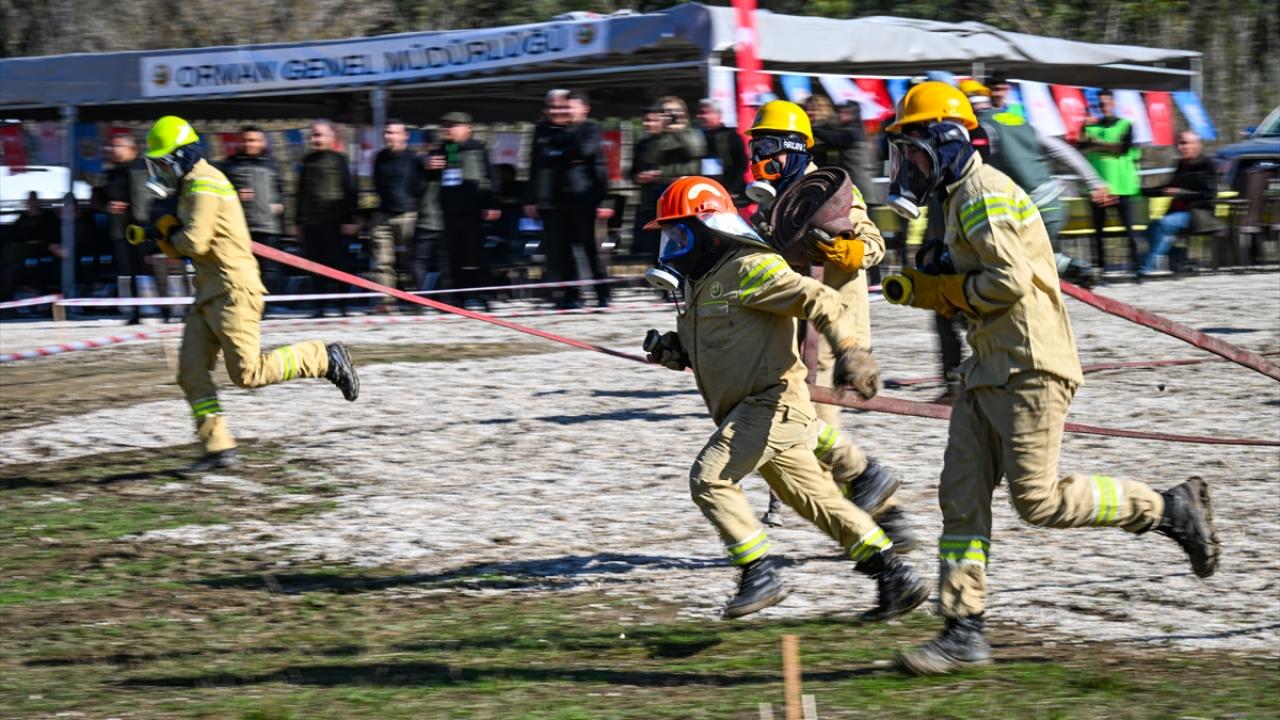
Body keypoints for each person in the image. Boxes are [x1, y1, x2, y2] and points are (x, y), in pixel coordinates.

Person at [878, 83, 1220, 674]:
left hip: (1029, 363)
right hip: (987, 365)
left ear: (943, 142)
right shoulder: (959, 198)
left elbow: (1005, 283)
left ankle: (1167, 507)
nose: (906, 167)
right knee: (960, 500)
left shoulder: (984, 192)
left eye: (911, 153)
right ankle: (963, 630)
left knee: (1038, 501)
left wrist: (937, 288)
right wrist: (936, 276)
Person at [643, 176, 929, 621]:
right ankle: (895, 578)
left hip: (771, 404)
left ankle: (758, 573)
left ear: (709, 228)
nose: (672, 245)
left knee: (710, 478)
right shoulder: (701, 283)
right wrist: (673, 351)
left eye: (679, 233)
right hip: (751, 411)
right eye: (668, 236)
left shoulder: (750, 267)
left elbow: (821, 300)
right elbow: (718, 343)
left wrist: (852, 352)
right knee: (820, 504)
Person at [136, 116, 361, 474]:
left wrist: (165, 237)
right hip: (209, 291)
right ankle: (218, 448)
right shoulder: (191, 185)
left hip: (233, 289)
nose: (160, 170)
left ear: (181, 156)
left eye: (163, 162)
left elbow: (195, 240)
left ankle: (324, 358)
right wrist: (164, 234)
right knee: (191, 371)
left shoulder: (205, 183)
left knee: (248, 373)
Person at [745, 100, 910, 540]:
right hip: (788, 337)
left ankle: (882, 521)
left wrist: (854, 251)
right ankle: (881, 515)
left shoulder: (830, 190)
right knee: (806, 436)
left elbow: (872, 241)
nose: (760, 158)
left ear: (795, 146)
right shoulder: (770, 199)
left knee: (818, 438)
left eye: (768, 146)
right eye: (755, 147)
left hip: (830, 335)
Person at [525, 89, 613, 309]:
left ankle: (603, 293)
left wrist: (559, 153)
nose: (559, 112)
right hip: (554, 199)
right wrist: (531, 198)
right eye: (553, 108)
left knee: (590, 249)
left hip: (583, 198)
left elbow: (585, 151)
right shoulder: (543, 130)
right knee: (561, 252)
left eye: (563, 107)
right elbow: (537, 162)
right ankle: (570, 296)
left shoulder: (590, 128)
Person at [433, 111, 500, 310]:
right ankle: (457, 296)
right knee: (454, 256)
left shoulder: (479, 149)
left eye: (453, 126)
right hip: (450, 211)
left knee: (477, 255)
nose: (448, 130)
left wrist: (492, 204)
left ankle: (483, 295)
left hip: (474, 211)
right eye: (446, 126)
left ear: (467, 128)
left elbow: (491, 177)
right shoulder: (447, 149)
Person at [296, 120, 359, 317]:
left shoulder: (339, 160)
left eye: (320, 135)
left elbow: (349, 190)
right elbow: (300, 192)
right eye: (313, 135)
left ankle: (342, 305)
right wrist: (297, 220)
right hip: (311, 223)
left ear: (332, 138)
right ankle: (319, 306)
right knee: (314, 267)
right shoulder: (306, 161)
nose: (315, 139)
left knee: (339, 265)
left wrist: (350, 219)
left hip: (335, 222)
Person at [93, 132, 155, 324]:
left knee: (152, 269)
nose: (112, 150)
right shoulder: (108, 173)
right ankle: (136, 312)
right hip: (121, 230)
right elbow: (95, 198)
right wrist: (107, 207)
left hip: (147, 229)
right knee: (129, 272)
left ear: (132, 149)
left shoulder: (148, 167)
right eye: (110, 146)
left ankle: (165, 309)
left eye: (117, 146)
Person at [1079, 89, 1142, 271]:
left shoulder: (1126, 125)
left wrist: (1096, 144)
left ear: (1113, 104)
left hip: (1123, 187)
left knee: (1129, 230)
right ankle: (1099, 267)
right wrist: (1084, 127)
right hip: (1098, 187)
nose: (1104, 106)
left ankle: (1136, 267)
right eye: (1101, 104)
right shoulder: (1090, 127)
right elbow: (1080, 145)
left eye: (1107, 102)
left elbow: (1121, 148)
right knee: (1097, 231)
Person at [1138, 131, 1216, 279]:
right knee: (1149, 230)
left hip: (1199, 213)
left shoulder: (1207, 164)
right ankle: (1180, 258)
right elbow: (1168, 188)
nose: (1181, 147)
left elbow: (1209, 194)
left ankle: (1146, 268)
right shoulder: (1180, 164)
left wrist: (1182, 193)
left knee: (1164, 224)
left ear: (1197, 145)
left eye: (1185, 143)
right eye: (1179, 144)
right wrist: (1140, 191)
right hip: (1178, 212)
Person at [222, 125, 287, 295]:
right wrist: (235, 195)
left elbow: (281, 190)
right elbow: (219, 194)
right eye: (245, 140)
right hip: (240, 228)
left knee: (270, 269)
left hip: (269, 227)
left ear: (263, 142)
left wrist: (281, 205)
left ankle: (271, 305)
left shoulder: (272, 165)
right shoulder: (230, 165)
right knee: (242, 269)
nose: (249, 144)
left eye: (253, 140)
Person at [370, 119, 425, 312]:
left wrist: (414, 205)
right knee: (382, 260)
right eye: (387, 132)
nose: (389, 136)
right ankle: (387, 300)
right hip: (383, 212)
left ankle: (416, 298)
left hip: (408, 213)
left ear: (404, 136)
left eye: (394, 132)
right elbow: (376, 183)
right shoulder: (379, 157)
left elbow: (421, 186)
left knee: (410, 258)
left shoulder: (415, 159)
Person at [805, 95, 875, 204]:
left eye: (845, 112)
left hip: (859, 188)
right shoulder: (851, 131)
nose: (840, 114)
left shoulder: (851, 132)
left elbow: (832, 138)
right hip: (853, 188)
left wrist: (807, 126)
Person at [629, 107, 667, 261]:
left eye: (653, 120)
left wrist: (659, 175)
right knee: (652, 246)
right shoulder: (641, 145)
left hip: (668, 200)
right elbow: (632, 172)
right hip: (648, 201)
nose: (649, 124)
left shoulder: (670, 142)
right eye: (646, 120)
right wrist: (638, 177)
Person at [697, 98, 748, 204]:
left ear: (717, 115)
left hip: (730, 193)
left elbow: (742, 164)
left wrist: (730, 188)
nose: (700, 117)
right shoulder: (698, 137)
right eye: (699, 113)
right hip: (704, 192)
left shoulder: (732, 136)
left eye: (705, 113)